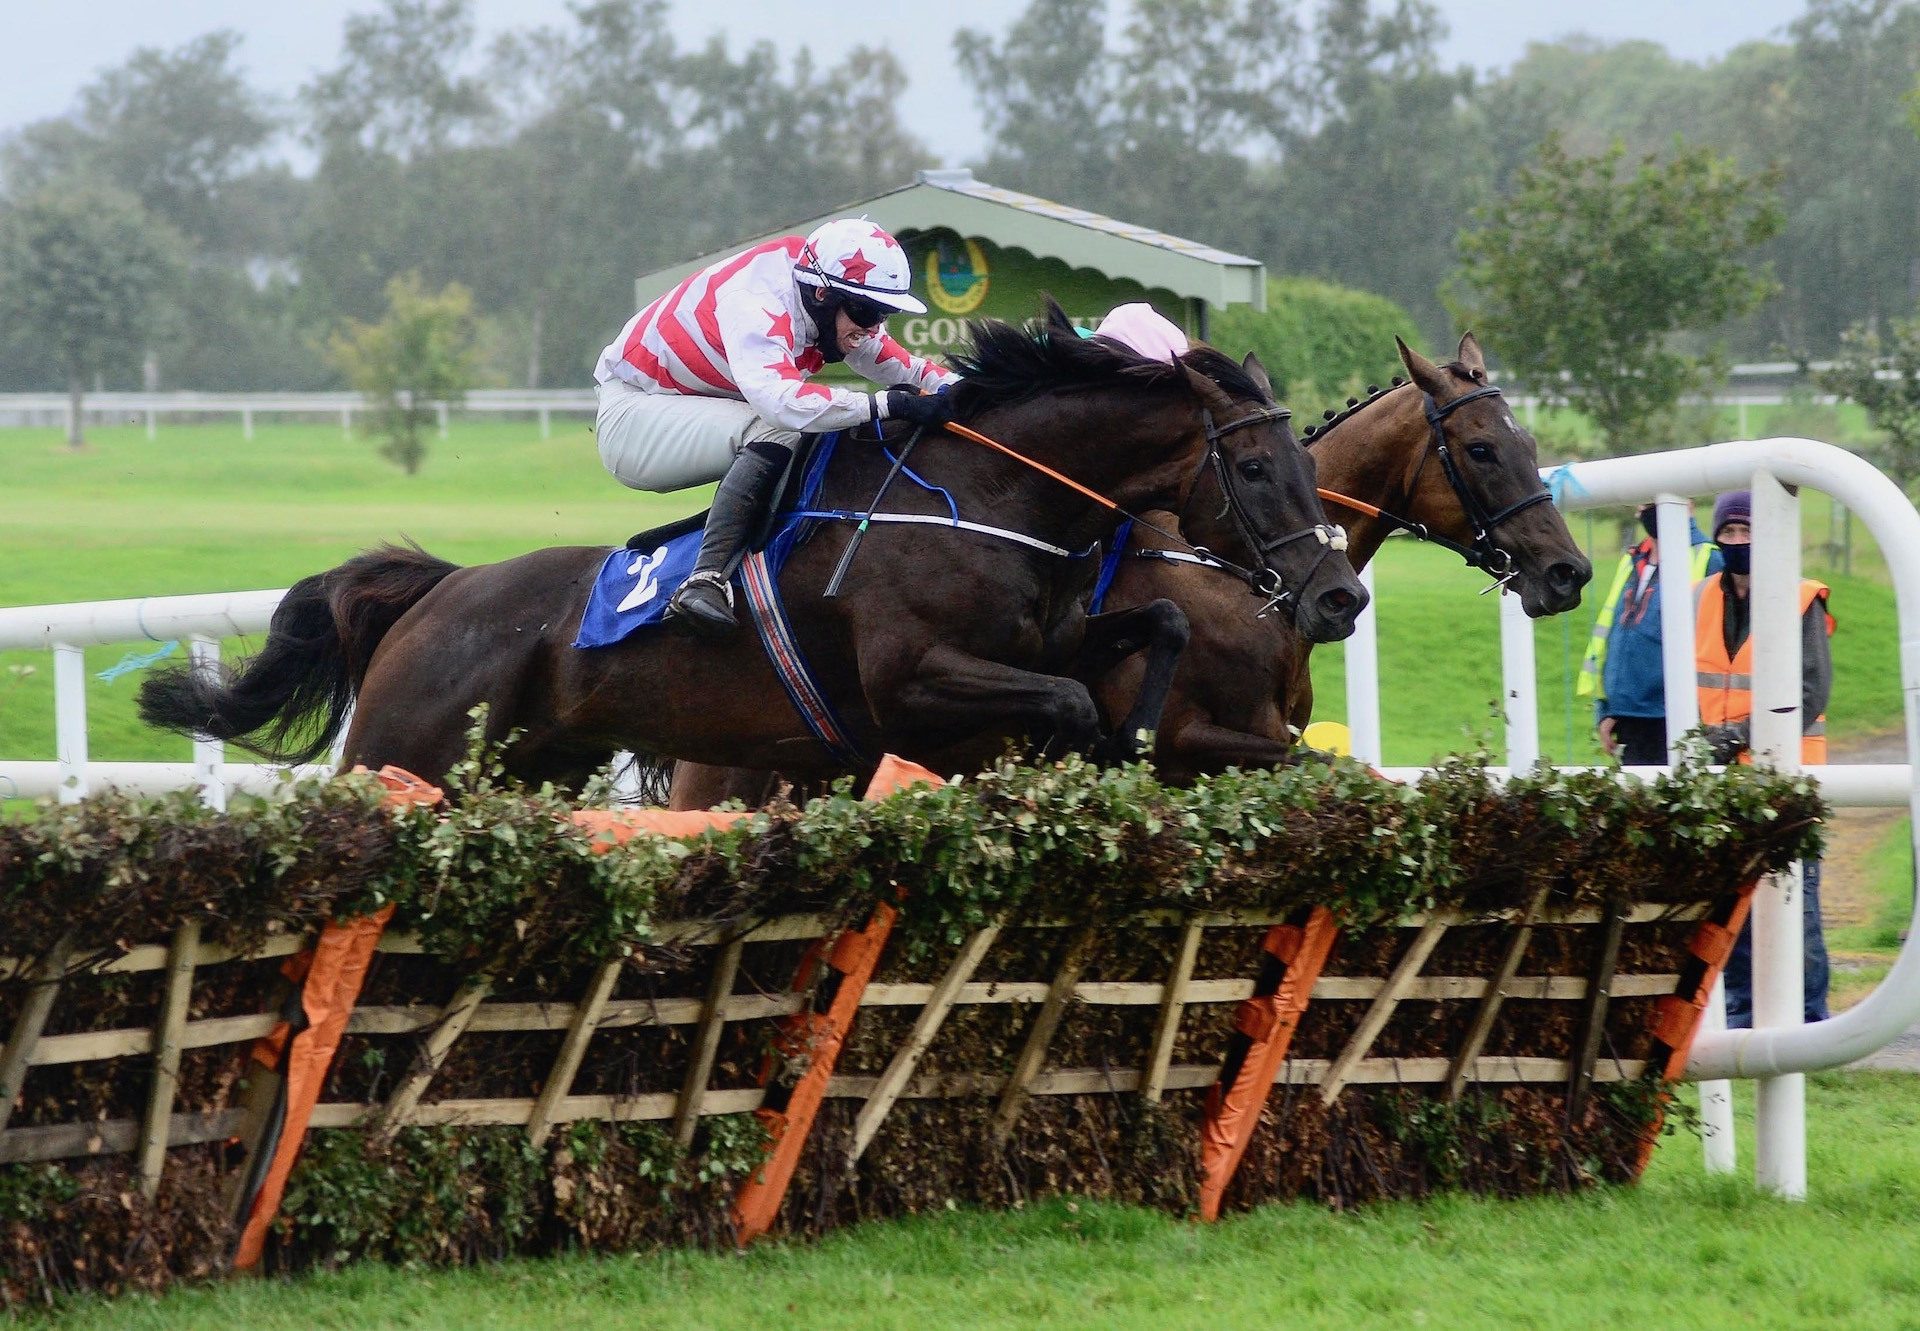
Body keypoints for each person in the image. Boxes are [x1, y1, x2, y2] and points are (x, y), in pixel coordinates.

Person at [593, 218, 957, 634]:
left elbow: (909, 368)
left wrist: (974, 389)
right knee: (779, 430)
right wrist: (886, 404)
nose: (873, 327)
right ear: (822, 295)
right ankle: (705, 579)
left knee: (818, 429)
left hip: (683, 403)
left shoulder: (823, 291)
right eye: (866, 311)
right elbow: (781, 403)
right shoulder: (757, 299)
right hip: (633, 414)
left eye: (884, 312)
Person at [1695, 489, 1837, 1026]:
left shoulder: (1801, 598)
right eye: (1728, 532)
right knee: (1730, 908)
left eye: (1747, 531)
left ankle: (1809, 1020)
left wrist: (1738, 737)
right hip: (1720, 783)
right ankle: (1743, 1018)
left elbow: (1811, 691)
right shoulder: (1699, 597)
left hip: (1787, 778)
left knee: (1795, 906)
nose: (1737, 541)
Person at [1576, 501, 1721, 764]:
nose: (1644, 509)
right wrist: (1607, 710)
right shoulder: (1633, 559)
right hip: (1630, 718)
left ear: (1688, 503)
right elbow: (1613, 638)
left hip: (1680, 717)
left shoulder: (1709, 559)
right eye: (1643, 501)